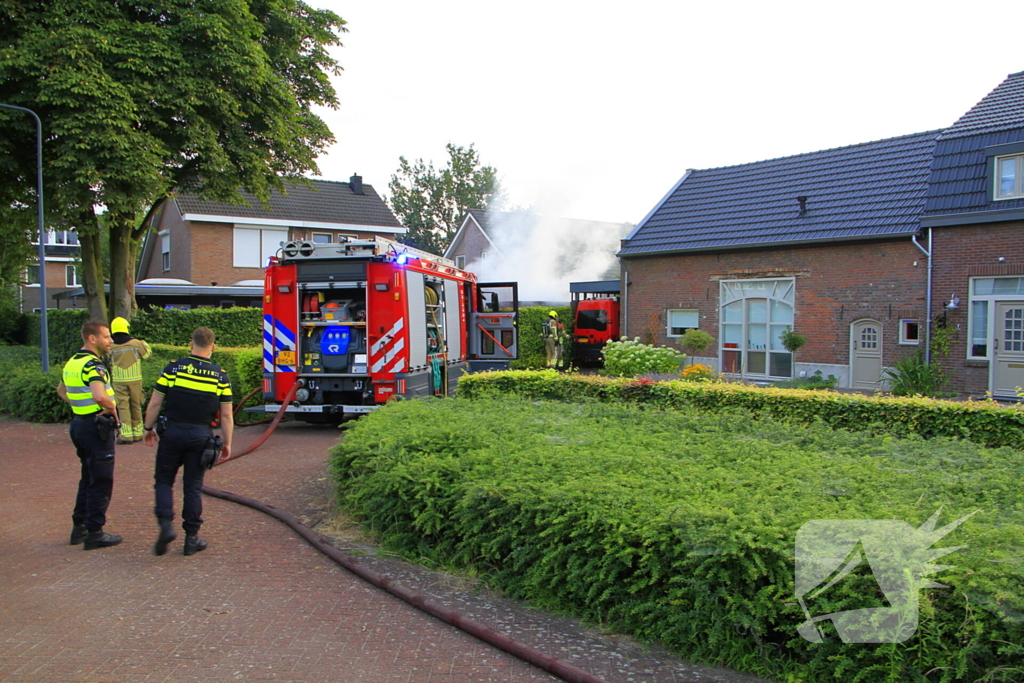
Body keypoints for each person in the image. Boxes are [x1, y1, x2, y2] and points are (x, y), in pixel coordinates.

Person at [143, 327, 233, 556]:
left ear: (190, 344)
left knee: (164, 480)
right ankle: (191, 539)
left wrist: (147, 428)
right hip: (200, 437)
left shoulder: (173, 369)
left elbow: (154, 403)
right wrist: (227, 443)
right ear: (213, 346)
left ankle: (165, 524)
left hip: (172, 432)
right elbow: (226, 415)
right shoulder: (220, 376)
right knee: (192, 487)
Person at [56, 319, 122, 550]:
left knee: (88, 477)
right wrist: (112, 410)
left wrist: (78, 407)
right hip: (97, 427)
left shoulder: (73, 362)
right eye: (106, 337)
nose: (110, 341)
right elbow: (99, 395)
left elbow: (61, 390)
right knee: (101, 480)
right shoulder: (94, 365)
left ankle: (79, 528)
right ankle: (95, 532)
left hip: (79, 424)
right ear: (92, 339)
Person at [109, 316, 152, 444]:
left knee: (123, 407)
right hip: (135, 379)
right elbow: (147, 355)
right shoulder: (135, 343)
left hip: (118, 380)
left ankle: (126, 435)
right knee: (136, 405)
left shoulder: (111, 345)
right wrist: (144, 344)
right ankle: (138, 433)